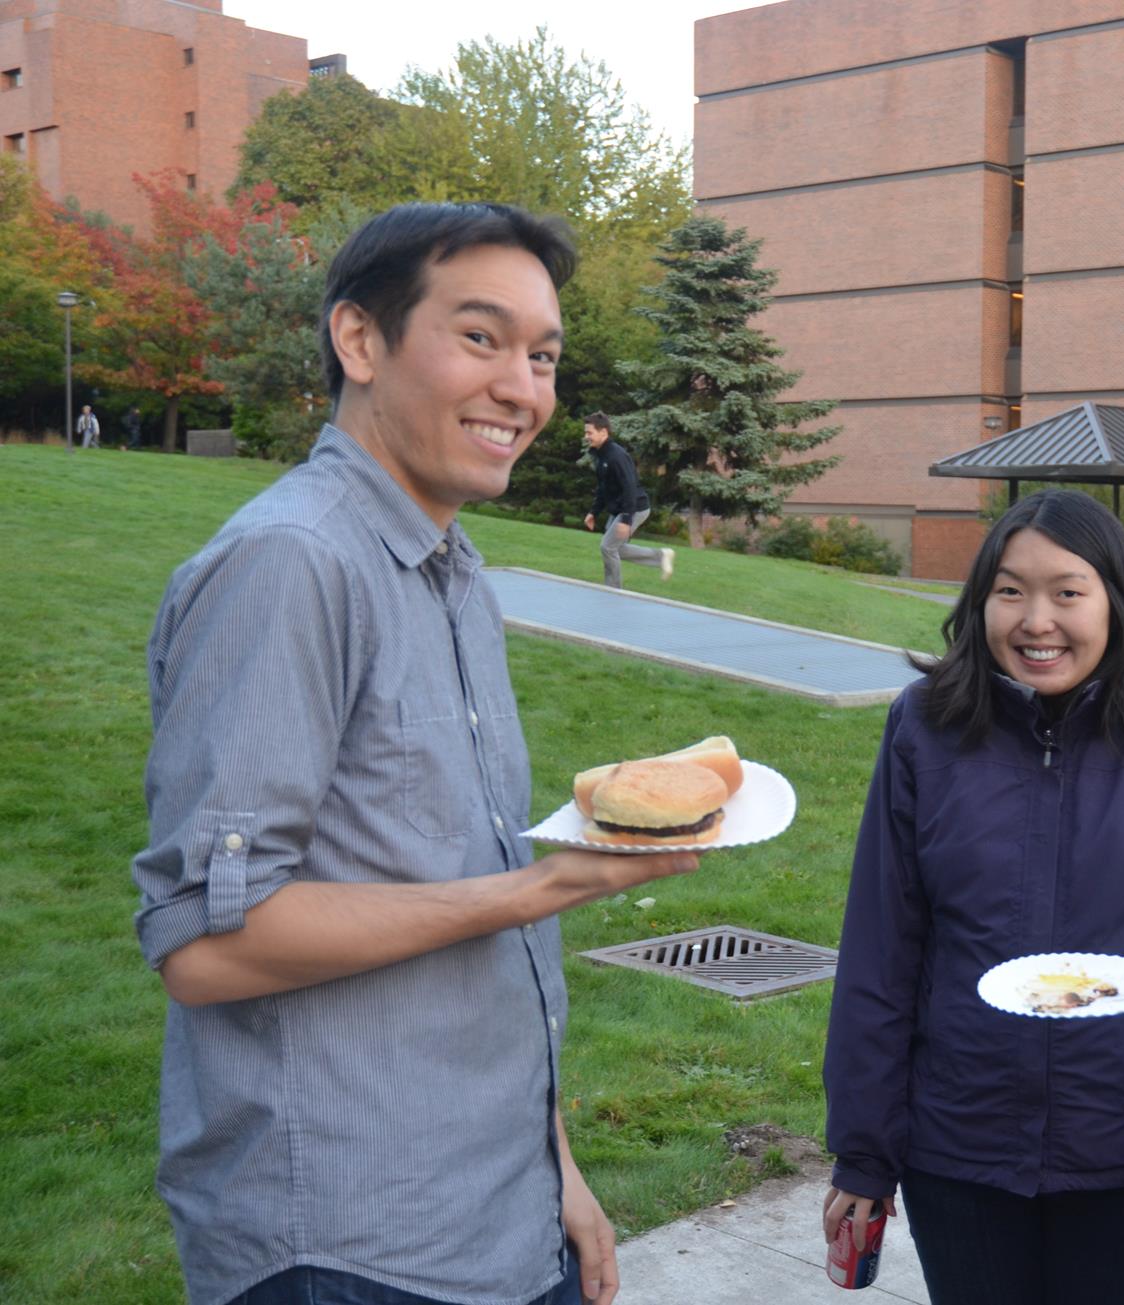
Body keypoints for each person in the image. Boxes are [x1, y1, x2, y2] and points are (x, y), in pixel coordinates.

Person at [132, 202, 703, 1305]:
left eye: (542, 357)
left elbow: (443, 876)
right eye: (480, 338)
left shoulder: (453, 569)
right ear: (359, 339)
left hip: (500, 1211)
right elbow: (204, 945)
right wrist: (542, 888)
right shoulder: (291, 565)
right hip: (348, 1243)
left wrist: (555, 1168)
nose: (522, 389)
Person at [821, 489, 1124, 1305]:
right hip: (959, 1147)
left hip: (1122, 1151)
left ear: (1116, 601)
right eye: (1010, 590)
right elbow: (881, 945)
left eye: (1067, 591)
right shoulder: (924, 723)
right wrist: (865, 1151)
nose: (1035, 620)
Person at [581, 412, 665, 586]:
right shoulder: (601, 455)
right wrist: (593, 512)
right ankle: (661, 557)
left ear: (603, 432)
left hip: (635, 508)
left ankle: (612, 590)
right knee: (615, 548)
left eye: (589, 433)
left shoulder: (616, 456)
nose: (586, 436)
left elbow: (630, 488)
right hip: (620, 508)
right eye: (586, 432)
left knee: (608, 547)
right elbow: (603, 487)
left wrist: (626, 519)